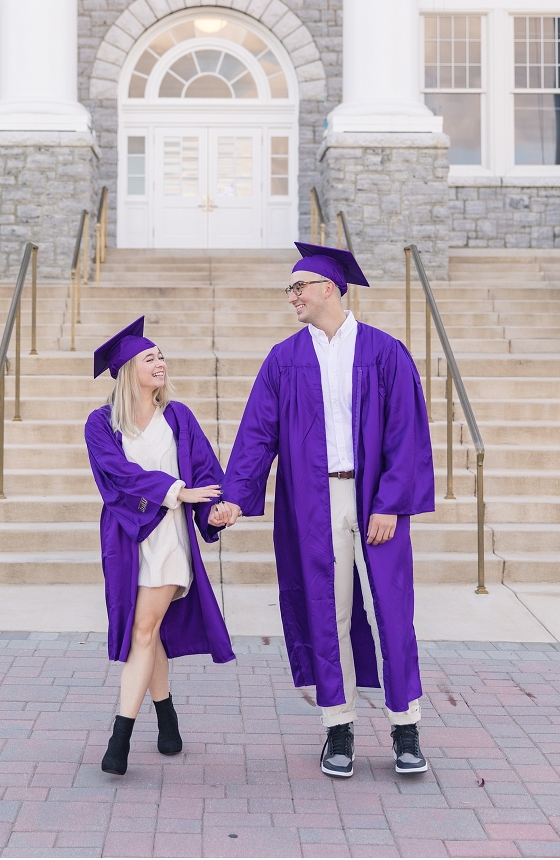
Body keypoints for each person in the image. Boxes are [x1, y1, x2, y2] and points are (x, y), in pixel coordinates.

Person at [209, 243, 434, 779]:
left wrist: (392, 504)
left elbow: (407, 434)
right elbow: (257, 435)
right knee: (326, 609)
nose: (292, 298)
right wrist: (234, 497)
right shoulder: (284, 360)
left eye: (298, 287)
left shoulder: (384, 352)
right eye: (291, 289)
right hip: (313, 500)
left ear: (328, 288)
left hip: (374, 498)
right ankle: (339, 724)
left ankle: (406, 727)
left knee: (393, 611)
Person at [85, 317, 234, 776]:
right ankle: (166, 718)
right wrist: (175, 490)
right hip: (126, 538)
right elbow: (117, 478)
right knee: (146, 633)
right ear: (129, 369)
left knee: (143, 631)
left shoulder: (178, 417)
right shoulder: (100, 425)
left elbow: (207, 470)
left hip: (169, 538)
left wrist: (217, 505)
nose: (160, 362)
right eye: (150, 358)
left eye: (161, 356)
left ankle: (119, 740)